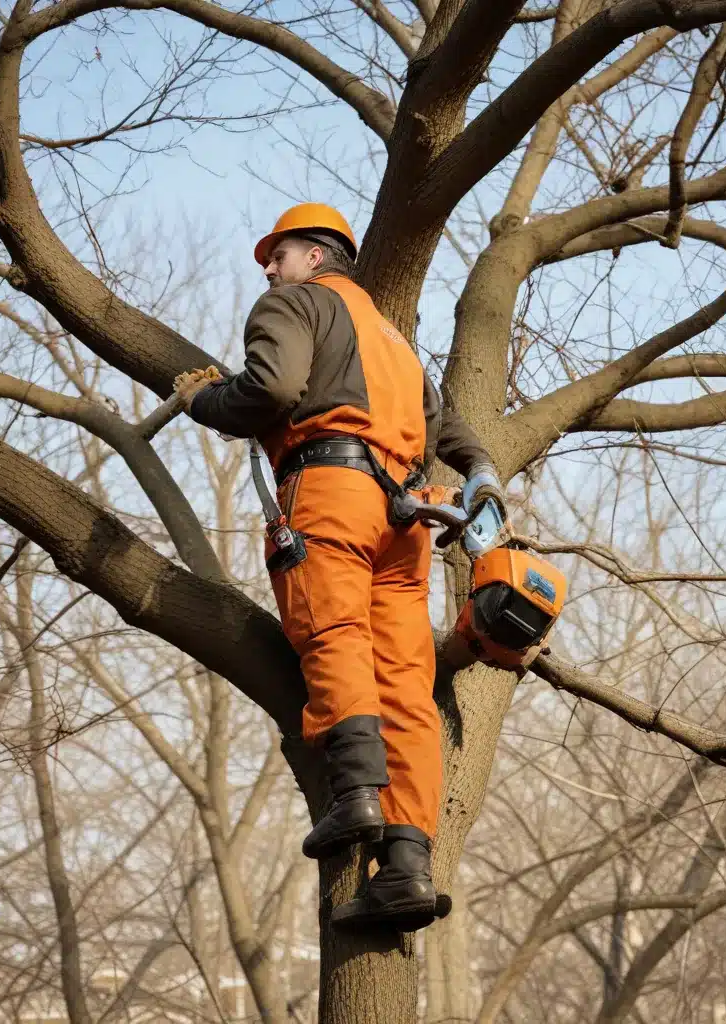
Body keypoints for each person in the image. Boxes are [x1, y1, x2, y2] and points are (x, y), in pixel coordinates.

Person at [174, 203, 504, 932]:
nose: (268, 267)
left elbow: (271, 390)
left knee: (334, 633)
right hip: (404, 517)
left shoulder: (295, 304)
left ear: (316, 258)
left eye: (279, 253)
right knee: (408, 683)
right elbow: (451, 429)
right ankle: (407, 867)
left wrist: (202, 399)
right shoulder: (394, 343)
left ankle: (355, 796)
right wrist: (480, 470)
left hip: (334, 493)